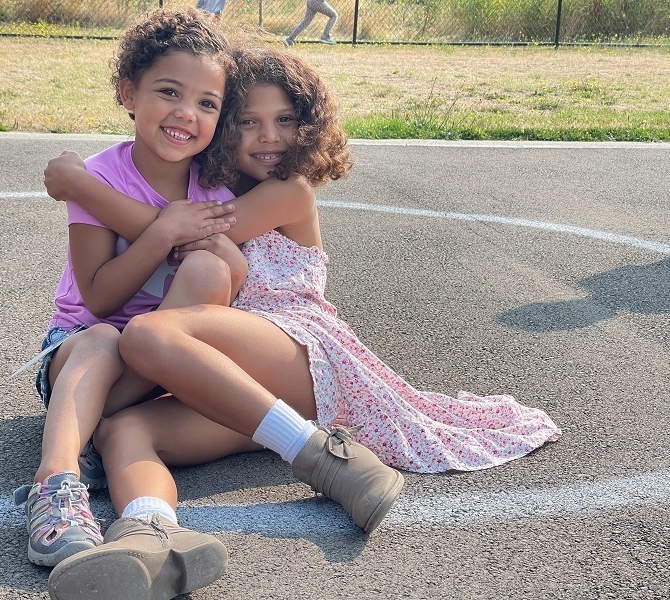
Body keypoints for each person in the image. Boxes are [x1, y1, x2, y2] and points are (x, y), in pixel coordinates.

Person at [43, 46, 561, 600]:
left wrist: (83, 186)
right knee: (126, 429)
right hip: (231, 377)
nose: (269, 137)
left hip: (298, 350)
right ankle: (151, 536)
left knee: (150, 332)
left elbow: (176, 230)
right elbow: (172, 226)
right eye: (248, 121)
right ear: (223, 129)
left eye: (285, 121)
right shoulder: (211, 188)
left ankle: (324, 457)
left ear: (309, 128)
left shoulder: (288, 192)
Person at [12, 9, 245, 570]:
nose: (186, 114)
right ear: (128, 93)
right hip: (81, 355)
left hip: (156, 372)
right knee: (102, 339)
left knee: (212, 269)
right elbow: (98, 299)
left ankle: (98, 440)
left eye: (207, 103)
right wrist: (165, 229)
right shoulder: (99, 178)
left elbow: (232, 284)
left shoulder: (210, 187)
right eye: (169, 92)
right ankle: (56, 482)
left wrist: (216, 250)